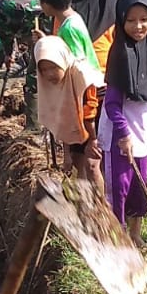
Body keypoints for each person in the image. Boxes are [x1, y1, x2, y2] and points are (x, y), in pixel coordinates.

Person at [101, 0, 147, 243]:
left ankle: (135, 232)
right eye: (131, 20)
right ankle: (116, 234)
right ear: (121, 21)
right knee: (118, 187)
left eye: (144, 19)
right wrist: (123, 134)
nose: (138, 26)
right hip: (118, 135)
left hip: (141, 133)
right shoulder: (119, 54)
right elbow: (112, 104)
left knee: (138, 187)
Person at [35, 36, 105, 185]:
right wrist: (66, 154)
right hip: (78, 120)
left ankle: (100, 205)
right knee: (75, 163)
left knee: (92, 165)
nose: (49, 74)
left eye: (53, 67)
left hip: (99, 116)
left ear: (62, 60)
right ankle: (81, 203)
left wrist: (93, 140)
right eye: (44, 69)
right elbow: (64, 116)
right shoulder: (57, 82)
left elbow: (89, 113)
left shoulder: (81, 75)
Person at [34, 0, 101, 71]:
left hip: (84, 83)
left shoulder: (68, 29)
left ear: (46, 4)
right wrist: (46, 41)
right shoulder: (74, 18)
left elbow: (76, 65)